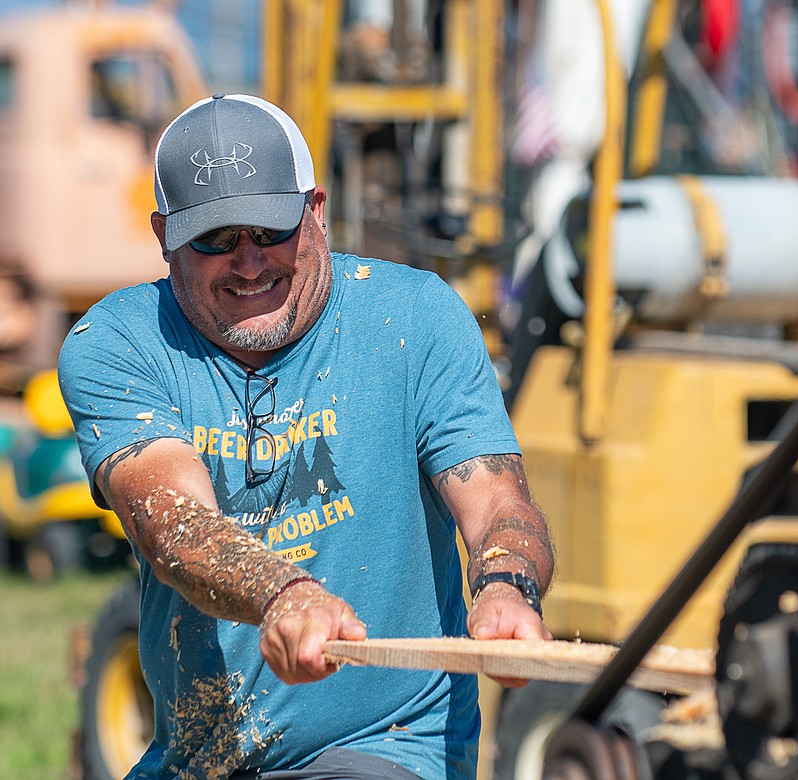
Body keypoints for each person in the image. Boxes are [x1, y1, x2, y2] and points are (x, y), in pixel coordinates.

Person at [57, 93, 554, 780]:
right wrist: (283, 593)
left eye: (270, 230)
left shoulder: (416, 317)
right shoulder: (116, 341)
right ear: (164, 234)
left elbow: (498, 501)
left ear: (315, 211)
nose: (249, 262)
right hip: (201, 758)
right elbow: (173, 524)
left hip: (388, 745)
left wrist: (505, 586)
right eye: (215, 239)